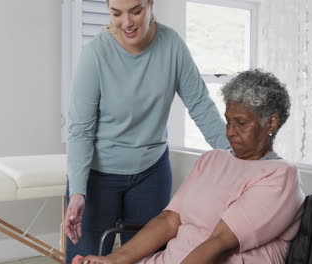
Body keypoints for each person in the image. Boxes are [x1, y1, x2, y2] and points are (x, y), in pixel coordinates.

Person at [74, 69, 306, 264]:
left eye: (241, 123)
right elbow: (169, 221)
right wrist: (113, 260)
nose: (230, 131)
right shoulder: (212, 160)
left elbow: (220, 243)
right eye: (228, 121)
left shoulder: (280, 176)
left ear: (271, 123)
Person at [64, 0, 229, 262]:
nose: (127, 22)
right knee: (84, 259)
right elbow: (80, 130)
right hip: (98, 177)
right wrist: (77, 192)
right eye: (116, 13)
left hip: (151, 174)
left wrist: (236, 155)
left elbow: (200, 106)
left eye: (136, 11)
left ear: (151, 4)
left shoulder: (172, 45)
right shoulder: (95, 54)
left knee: (148, 259)